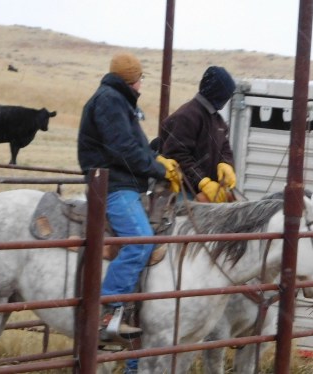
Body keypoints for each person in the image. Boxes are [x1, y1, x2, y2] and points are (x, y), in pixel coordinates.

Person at [77, 52, 181, 344]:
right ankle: (107, 312)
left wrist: (156, 159)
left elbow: (132, 147)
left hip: (122, 184)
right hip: (113, 187)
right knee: (141, 241)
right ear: (132, 79)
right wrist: (158, 167)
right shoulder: (110, 101)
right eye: (139, 79)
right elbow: (123, 148)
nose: (141, 85)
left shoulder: (117, 101)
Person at [159, 66, 237, 202]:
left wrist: (226, 164)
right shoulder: (186, 116)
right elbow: (177, 155)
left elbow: (224, 147)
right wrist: (203, 182)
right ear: (218, 93)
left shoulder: (217, 120)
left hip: (209, 194)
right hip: (183, 192)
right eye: (226, 94)